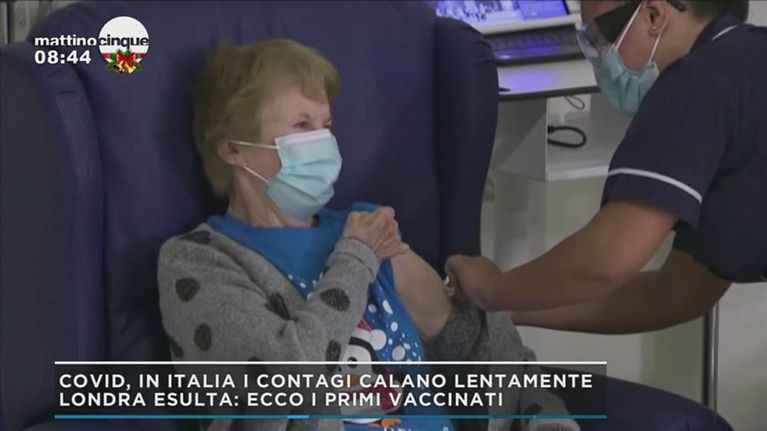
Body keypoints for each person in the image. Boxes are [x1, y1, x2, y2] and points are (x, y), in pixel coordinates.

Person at [157, 39, 578, 431]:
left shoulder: (367, 228)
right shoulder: (199, 262)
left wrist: (550, 424)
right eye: (302, 125)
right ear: (232, 148)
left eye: (326, 124)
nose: (323, 142)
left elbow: (492, 358)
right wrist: (355, 260)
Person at [446, 0, 766, 333]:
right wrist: (501, 309)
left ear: (654, 15)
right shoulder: (745, 59)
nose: (601, 60)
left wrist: (492, 289)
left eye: (602, 37)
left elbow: (607, 259)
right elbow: (677, 294)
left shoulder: (694, 81)